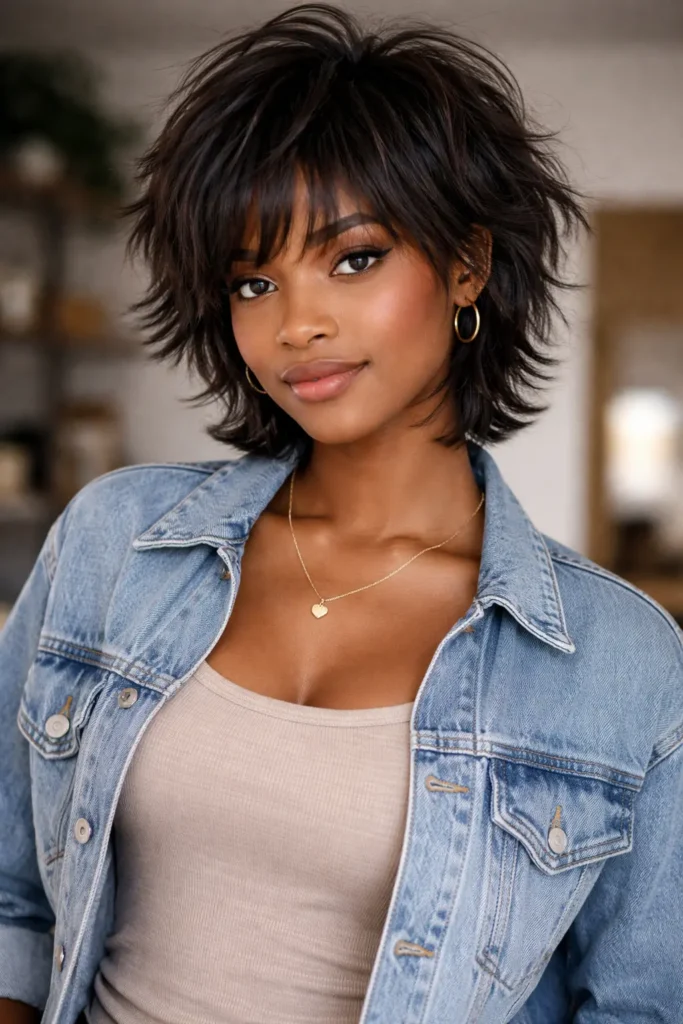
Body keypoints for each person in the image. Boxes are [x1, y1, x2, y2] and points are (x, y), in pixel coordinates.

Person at [1, 5, 681, 1023]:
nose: (295, 324)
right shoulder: (113, 544)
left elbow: (639, 1004)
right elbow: (12, 899)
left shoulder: (620, 663)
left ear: (465, 265)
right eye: (252, 279)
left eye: (352, 257)